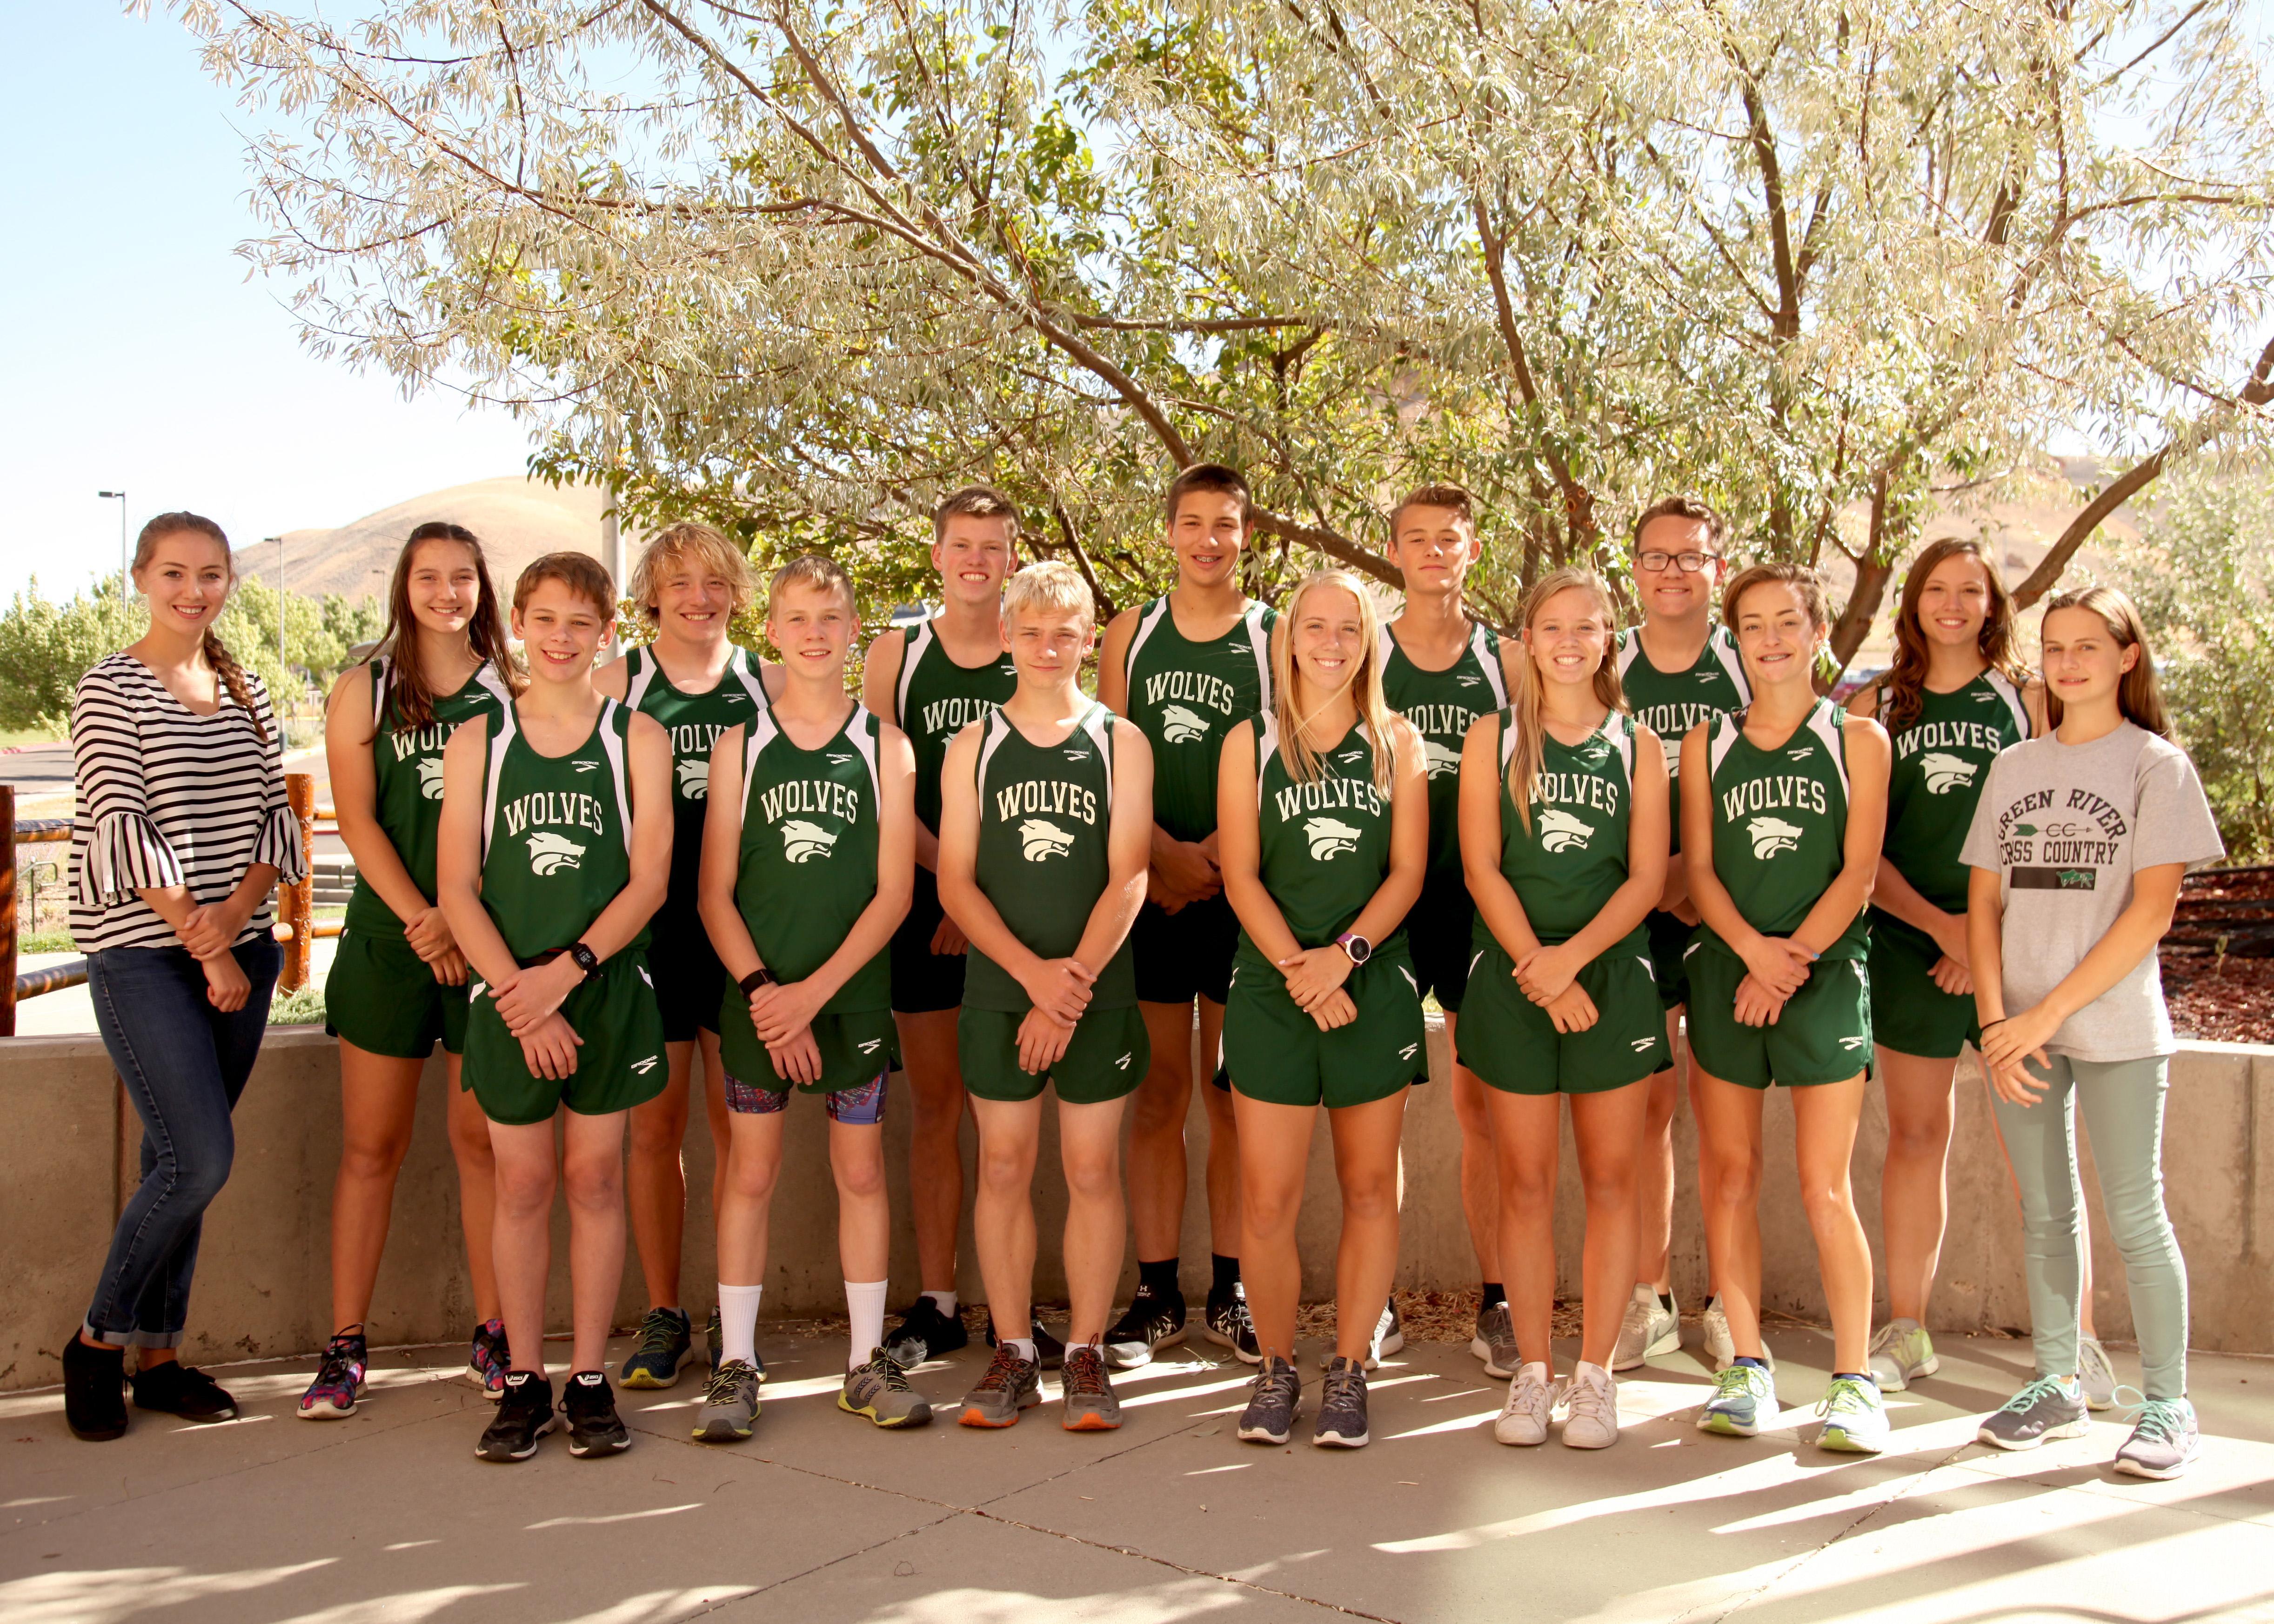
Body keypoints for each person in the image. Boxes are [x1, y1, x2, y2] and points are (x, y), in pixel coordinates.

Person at [60, 513, 307, 1443]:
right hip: (145, 956)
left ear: (229, 583)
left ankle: (158, 1359)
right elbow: (121, 820)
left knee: (173, 1166)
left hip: (237, 949)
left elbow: (268, 827)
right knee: (200, 1158)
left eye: (210, 574)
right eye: (173, 572)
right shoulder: (109, 688)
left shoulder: (247, 691)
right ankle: (96, 1342)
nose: (192, 589)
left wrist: (235, 925)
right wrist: (201, 945)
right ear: (140, 577)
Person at [1963, 585, 2218, 1480]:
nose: (2068, 665)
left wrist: (2044, 1013)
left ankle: (2167, 1404)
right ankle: (2055, 1384)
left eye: (2087, 648)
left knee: (2134, 1212)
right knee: (2045, 1213)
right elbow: (1984, 900)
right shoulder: (2014, 767)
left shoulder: (2157, 767)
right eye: (2055, 650)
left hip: (2112, 1026)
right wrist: (1997, 1019)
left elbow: (2150, 915)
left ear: (2126, 657)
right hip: (2018, 1030)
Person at [436, 552, 673, 1463]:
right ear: (519, 629)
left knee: (595, 1180)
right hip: (509, 991)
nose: (563, 639)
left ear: (606, 631)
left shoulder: (634, 739)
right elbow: (458, 887)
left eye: (581, 623)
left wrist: (565, 975)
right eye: (545, 620)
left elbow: (648, 880)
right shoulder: (480, 741)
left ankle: (586, 1378)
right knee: (524, 1184)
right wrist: (520, 999)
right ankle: (523, 1380)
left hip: (601, 987)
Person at [690, 554, 925, 1440]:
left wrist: (813, 996)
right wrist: (765, 994)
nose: (816, 633)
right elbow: (715, 892)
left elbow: (895, 893)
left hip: (850, 1000)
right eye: (798, 618)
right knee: (748, 1173)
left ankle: (865, 1361)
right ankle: (737, 1364)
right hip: (757, 1000)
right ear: (773, 633)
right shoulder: (739, 746)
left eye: (832, 618)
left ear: (851, 631)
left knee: (861, 1172)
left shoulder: (885, 747)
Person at [301, 523, 521, 1420]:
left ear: (482, 588)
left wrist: (463, 922)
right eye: (429, 577)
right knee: (370, 1149)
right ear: (405, 585)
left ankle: (495, 1334)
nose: (446, 592)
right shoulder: (368, 687)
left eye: (462, 577)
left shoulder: (513, 689)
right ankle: (346, 1346)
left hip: (483, 944)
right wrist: (423, 919)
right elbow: (356, 821)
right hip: (395, 942)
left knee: (482, 1147)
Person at [936, 561, 1154, 1431]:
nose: (1047, 646)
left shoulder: (1118, 741)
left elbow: (1130, 875)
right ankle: (1016, 1348)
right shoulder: (973, 744)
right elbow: (955, 882)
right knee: (1002, 1164)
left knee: (1093, 1167)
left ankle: (1089, 1350)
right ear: (1006, 638)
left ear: (1087, 640)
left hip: (1095, 991)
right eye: (1030, 631)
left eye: (1065, 632)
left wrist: (1068, 991)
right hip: (1001, 990)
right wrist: (1032, 980)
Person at [1683, 562, 1891, 1453]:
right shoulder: (1707, 743)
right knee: (1729, 1177)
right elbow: (1698, 869)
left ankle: (1855, 1382)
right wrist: (1753, 958)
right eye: (1753, 626)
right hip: (1729, 974)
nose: (1771, 639)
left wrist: (1790, 961)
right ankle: (1748, 1366)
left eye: (1787, 623)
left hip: (1822, 979)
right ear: (1737, 640)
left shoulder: (1858, 741)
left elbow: (1860, 871)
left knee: (1824, 1186)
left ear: (1817, 635)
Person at [1459, 568, 1669, 1448]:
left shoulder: (1638, 742)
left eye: (1587, 627)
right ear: (1529, 639)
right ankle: (1532, 1377)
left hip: (1610, 980)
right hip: (1512, 978)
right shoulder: (1492, 736)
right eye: (1553, 627)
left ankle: (1596, 1379)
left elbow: (1649, 876)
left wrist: (1574, 962)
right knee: (1526, 1183)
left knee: (1615, 1181)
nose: (1570, 641)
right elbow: (1482, 866)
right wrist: (1537, 967)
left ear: (1609, 639)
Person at [1223, 570, 1428, 1450]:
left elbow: (1407, 873)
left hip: (1371, 982)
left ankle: (1347, 1368)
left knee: (1370, 1188)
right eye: (1317, 626)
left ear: (1370, 641)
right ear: (1289, 636)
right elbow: (1239, 873)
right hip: (1272, 988)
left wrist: (1342, 962)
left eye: (1351, 628)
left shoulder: (1397, 742)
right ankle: (1277, 1368)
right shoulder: (1252, 741)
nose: (1333, 643)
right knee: (1267, 1201)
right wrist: (1298, 972)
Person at [1843, 539, 2038, 1394]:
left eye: (1971, 591)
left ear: (1994, 605)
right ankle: (1909, 1326)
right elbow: (1860, 847)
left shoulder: (2028, 699)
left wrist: (1984, 940)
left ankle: (2070, 1340)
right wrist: (1944, 930)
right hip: (1909, 943)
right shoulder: (1880, 703)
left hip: (2015, 947)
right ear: (1913, 601)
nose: (1952, 604)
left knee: (2037, 1147)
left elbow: (2054, 829)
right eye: (1936, 589)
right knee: (1918, 1138)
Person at [1095, 462, 1272, 1368]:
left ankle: (1231, 1289)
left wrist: (1223, 862)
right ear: (1167, 530)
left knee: (1233, 1096)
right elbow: (1113, 759)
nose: (1209, 539)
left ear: (1248, 536)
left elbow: (1289, 764)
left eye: (1226, 525)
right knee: (1160, 1093)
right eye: (1193, 522)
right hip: (1157, 893)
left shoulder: (1274, 638)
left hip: (1242, 899)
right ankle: (1156, 1291)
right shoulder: (1131, 635)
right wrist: (1160, 853)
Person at [595, 522, 775, 1387]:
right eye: (679, 584)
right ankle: (663, 1311)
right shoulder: (615, 684)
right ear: (652, 597)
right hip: (649, 938)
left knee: (737, 1132)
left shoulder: (766, 685)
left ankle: (731, 1309)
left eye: (714, 582)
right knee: (653, 1129)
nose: (698, 598)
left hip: (739, 940)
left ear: (736, 593)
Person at [861, 488, 1023, 1368]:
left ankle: (1011, 1300)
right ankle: (938, 1299)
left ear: (1011, 558)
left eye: (994, 546)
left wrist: (985, 904)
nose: (977, 560)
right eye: (963, 545)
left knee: (1012, 1115)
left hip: (1018, 912)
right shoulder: (898, 652)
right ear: (937, 555)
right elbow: (884, 785)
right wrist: (951, 889)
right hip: (923, 904)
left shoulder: (1030, 642)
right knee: (936, 1107)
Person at [1378, 483, 1518, 1375]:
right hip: (1386, 901)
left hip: (1474, 903)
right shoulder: (1366, 653)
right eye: (1417, 539)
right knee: (1374, 1112)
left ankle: (1497, 1299)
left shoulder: (1508, 659)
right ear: (1394, 552)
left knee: (1484, 1110)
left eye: (1450, 540)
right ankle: (1379, 1300)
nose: (1434, 553)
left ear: (1473, 552)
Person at [1611, 496, 1752, 1372]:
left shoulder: (1752, 656)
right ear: (1634, 569)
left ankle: (1730, 1304)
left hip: (1731, 910)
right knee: (1650, 1108)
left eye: (1689, 557)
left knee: (1728, 1113)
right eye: (1656, 557)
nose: (1672, 571)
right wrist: (1657, 883)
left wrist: (1701, 880)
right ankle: (1650, 1293)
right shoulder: (1610, 662)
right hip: (1638, 909)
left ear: (1718, 570)